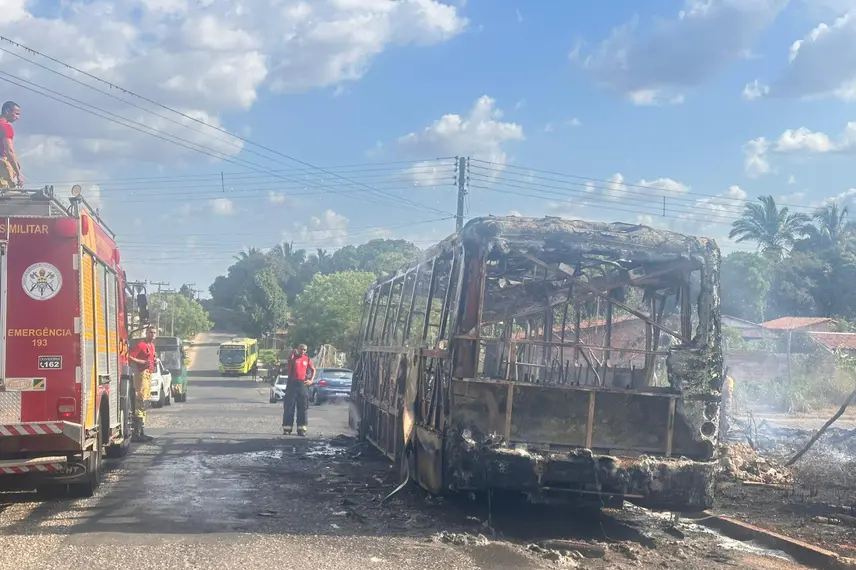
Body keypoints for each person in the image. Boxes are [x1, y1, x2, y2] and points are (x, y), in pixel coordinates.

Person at [128, 326, 157, 442]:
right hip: (141, 374)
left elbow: (152, 358)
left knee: (145, 402)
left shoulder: (152, 346)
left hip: (149, 374)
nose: (153, 335)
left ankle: (142, 432)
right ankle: (137, 433)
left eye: (154, 333)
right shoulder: (141, 345)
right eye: (151, 332)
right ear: (146, 333)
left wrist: (155, 361)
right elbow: (130, 356)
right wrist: (142, 362)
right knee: (140, 400)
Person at [282, 344, 315, 436]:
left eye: (305, 350)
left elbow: (313, 369)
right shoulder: (293, 358)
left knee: (303, 407)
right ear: (297, 349)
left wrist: (311, 380)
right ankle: (287, 428)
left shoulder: (307, 359)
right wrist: (293, 352)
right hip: (292, 384)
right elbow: (289, 357)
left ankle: (301, 429)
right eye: (301, 349)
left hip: (302, 384)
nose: (303, 351)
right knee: (289, 407)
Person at [0, 101, 22, 190]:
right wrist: (19, 173)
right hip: (2, 165)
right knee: (7, 192)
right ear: (7, 111)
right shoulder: (5, 127)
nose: (18, 117)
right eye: (16, 114)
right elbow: (9, 151)